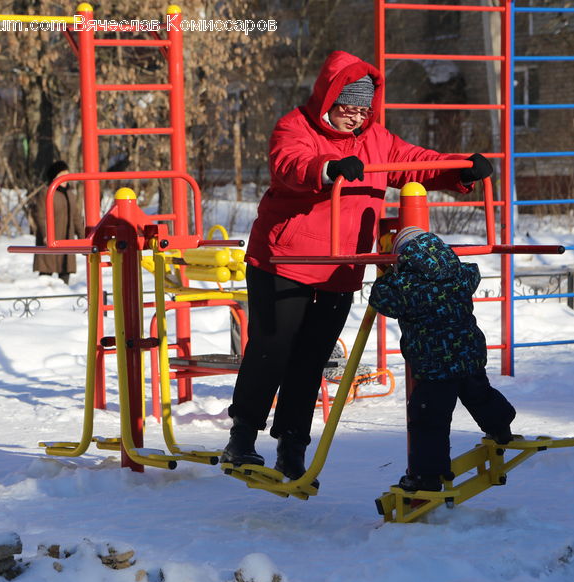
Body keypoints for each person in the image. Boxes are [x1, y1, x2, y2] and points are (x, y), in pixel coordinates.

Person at [221, 50, 494, 480]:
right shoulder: (295, 126)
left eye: (363, 108)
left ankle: (291, 445)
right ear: (329, 99)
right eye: (348, 106)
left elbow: (415, 163)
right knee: (272, 349)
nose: (355, 116)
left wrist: (461, 168)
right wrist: (328, 168)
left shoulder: (376, 138)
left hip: (339, 265)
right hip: (285, 260)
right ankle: (242, 438)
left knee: (312, 359)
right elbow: (289, 164)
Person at [368, 226, 516, 493]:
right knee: (480, 395)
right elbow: (474, 272)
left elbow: (381, 298)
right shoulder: (458, 274)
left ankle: (427, 476)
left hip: (436, 366)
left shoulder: (409, 286)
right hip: (468, 355)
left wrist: (387, 274)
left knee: (428, 419)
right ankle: (501, 426)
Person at [33, 160, 84, 285]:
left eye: (67, 175)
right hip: (51, 237)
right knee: (46, 274)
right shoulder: (46, 192)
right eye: (61, 176)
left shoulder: (70, 194)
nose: (65, 179)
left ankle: (63, 298)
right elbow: (40, 215)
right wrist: (46, 235)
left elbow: (76, 217)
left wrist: (83, 237)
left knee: (65, 271)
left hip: (66, 238)